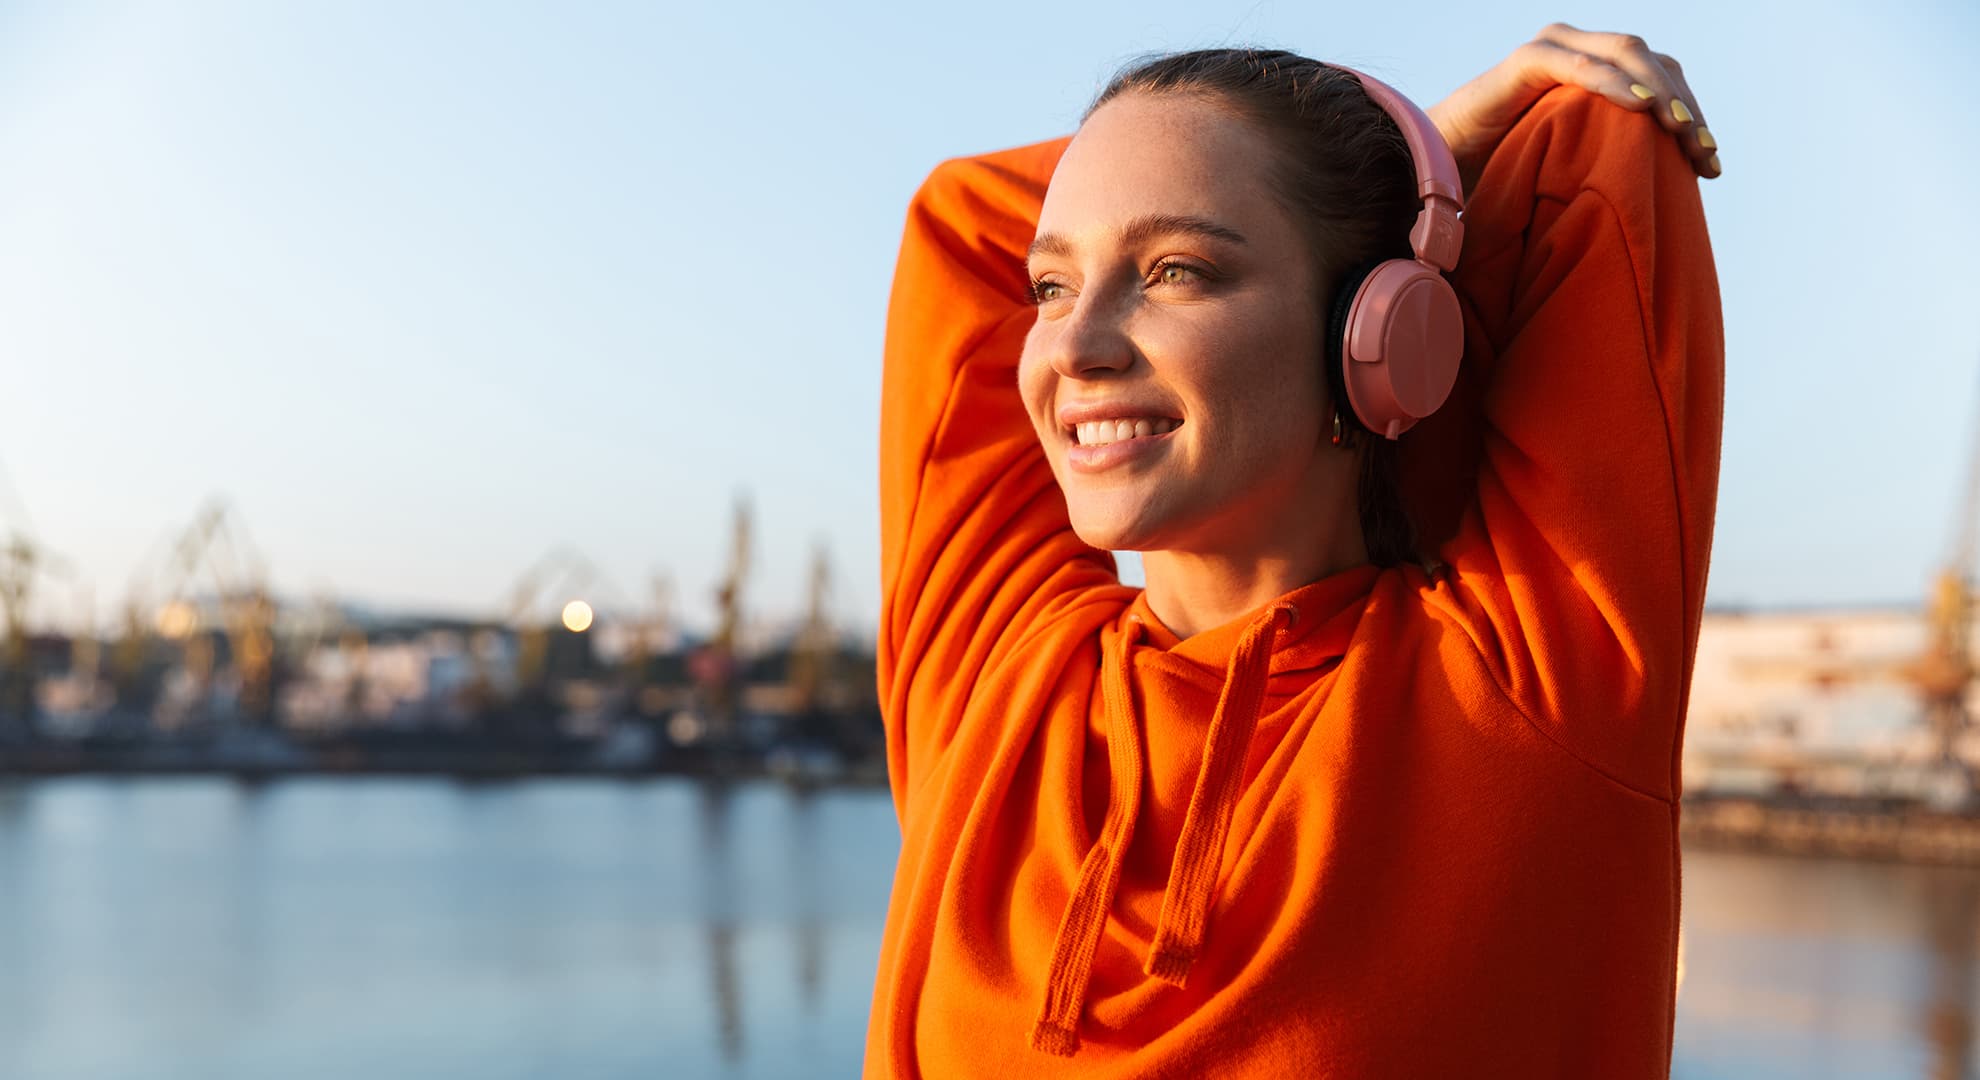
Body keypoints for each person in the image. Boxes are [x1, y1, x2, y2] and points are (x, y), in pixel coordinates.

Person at [869, 25, 1723, 1079]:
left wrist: (1405, 204)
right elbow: (961, 224)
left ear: (1381, 324)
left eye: (1176, 270)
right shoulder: (992, 683)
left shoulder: (1532, 686)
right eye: (1050, 287)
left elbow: (1600, 141)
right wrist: (1400, 165)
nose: (1076, 346)